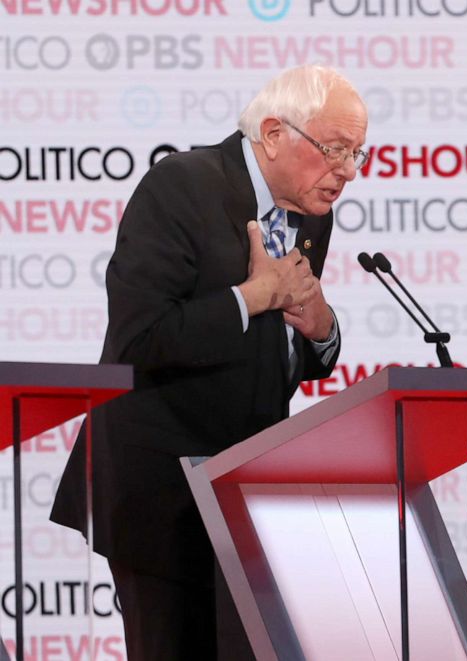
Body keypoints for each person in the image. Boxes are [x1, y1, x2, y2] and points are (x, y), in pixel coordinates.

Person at [50, 65, 368, 660]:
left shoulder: (311, 215)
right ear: (274, 134)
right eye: (335, 149)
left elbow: (274, 358)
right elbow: (139, 338)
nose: (348, 170)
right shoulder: (181, 186)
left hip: (253, 498)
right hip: (162, 497)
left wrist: (321, 331)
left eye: (358, 153)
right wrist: (252, 298)